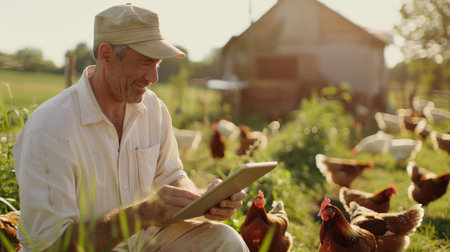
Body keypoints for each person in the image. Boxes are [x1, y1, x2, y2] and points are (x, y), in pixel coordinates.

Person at [13, 4, 249, 252]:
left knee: (225, 241)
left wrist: (202, 200)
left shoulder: (153, 109)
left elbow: (171, 176)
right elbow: (51, 245)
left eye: (156, 64)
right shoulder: (50, 128)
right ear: (106, 55)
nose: (154, 77)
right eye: (146, 62)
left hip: (143, 242)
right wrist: (140, 215)